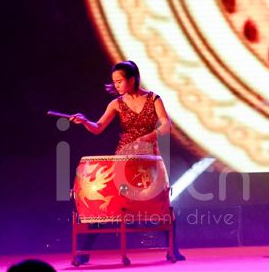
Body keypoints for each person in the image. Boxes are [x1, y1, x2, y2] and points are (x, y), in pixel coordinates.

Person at [70, 60, 185, 262]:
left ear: (132, 80)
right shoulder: (116, 103)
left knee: (159, 204)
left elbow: (166, 125)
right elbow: (98, 128)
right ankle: (84, 253)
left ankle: (173, 250)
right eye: (114, 82)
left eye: (119, 81)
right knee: (110, 204)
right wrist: (85, 121)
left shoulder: (153, 99)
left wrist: (148, 137)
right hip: (123, 160)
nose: (116, 85)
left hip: (148, 159)